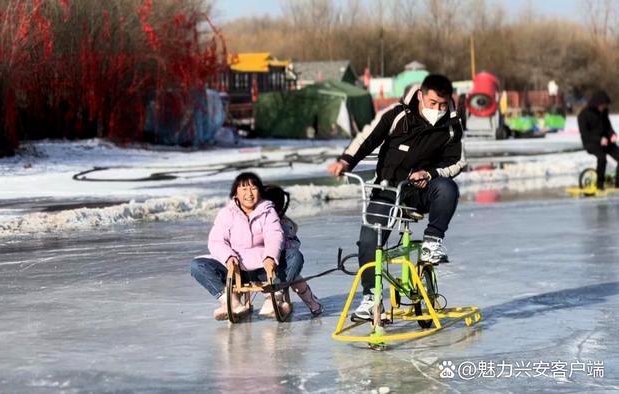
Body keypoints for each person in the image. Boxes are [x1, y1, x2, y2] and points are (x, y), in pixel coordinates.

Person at [326, 74, 466, 320]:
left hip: (420, 191)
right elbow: (367, 138)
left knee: (448, 189)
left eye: (443, 105)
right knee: (369, 242)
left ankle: (432, 242)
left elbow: (457, 161)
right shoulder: (398, 114)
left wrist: (431, 173)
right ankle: (371, 297)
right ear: (421, 96)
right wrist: (346, 161)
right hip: (387, 190)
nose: (438, 110)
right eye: (433, 103)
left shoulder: (451, 125)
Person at [189, 172, 299, 320]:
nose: (249, 193)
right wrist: (228, 257)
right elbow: (216, 241)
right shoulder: (226, 213)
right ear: (236, 192)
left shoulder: (268, 211)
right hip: (235, 269)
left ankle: (273, 298)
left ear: (259, 191)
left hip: (263, 268)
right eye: (244, 189)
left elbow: (275, 235)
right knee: (197, 265)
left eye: (253, 188)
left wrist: (270, 257)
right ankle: (230, 302)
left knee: (295, 256)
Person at [263, 185, 323, 317]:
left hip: (280, 261)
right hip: (269, 262)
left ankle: (311, 302)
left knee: (294, 277)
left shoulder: (281, 224)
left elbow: (291, 246)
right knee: (294, 277)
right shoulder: (269, 222)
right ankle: (308, 302)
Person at [578, 90, 619, 190]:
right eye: (602, 105)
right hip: (591, 143)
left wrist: (612, 134)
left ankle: (618, 183)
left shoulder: (604, 112)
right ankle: (599, 184)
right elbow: (585, 133)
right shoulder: (583, 115)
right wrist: (599, 139)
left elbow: (608, 126)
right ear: (596, 103)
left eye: (605, 106)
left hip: (606, 142)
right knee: (602, 158)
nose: (603, 108)